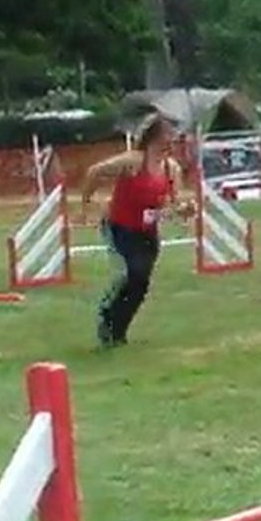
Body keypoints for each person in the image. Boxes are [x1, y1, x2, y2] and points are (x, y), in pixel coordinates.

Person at [80, 115, 195, 348]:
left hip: (147, 233)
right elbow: (95, 172)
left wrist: (185, 210)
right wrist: (87, 202)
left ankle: (118, 331)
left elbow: (172, 206)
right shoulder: (133, 161)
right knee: (132, 274)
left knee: (141, 284)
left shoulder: (171, 169)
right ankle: (107, 317)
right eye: (168, 135)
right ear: (155, 137)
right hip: (121, 228)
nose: (173, 141)